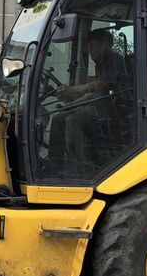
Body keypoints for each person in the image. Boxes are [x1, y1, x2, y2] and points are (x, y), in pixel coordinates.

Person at [53, 28, 131, 171]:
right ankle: (55, 164)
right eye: (88, 47)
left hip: (114, 111)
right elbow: (93, 94)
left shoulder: (115, 60)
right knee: (58, 118)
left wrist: (72, 90)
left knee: (73, 120)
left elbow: (100, 84)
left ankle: (85, 167)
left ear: (106, 44)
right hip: (100, 106)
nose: (90, 51)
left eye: (93, 47)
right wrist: (70, 104)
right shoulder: (101, 63)